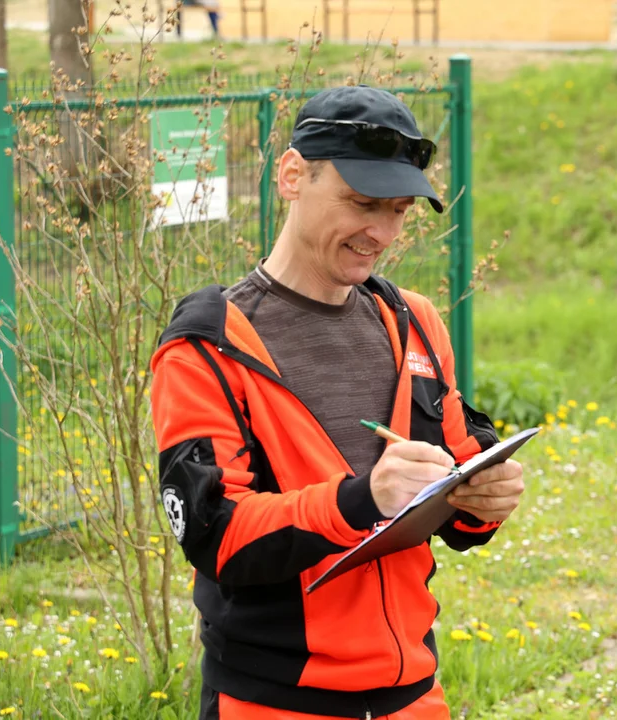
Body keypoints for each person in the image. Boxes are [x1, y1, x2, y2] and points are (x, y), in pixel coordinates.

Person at [150, 85, 525, 720]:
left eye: (400, 210)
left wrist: (484, 498)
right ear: (293, 175)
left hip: (414, 696)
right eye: (362, 203)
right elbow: (218, 537)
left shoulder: (415, 322)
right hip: (271, 702)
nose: (381, 232)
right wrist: (362, 498)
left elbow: (456, 481)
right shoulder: (208, 343)